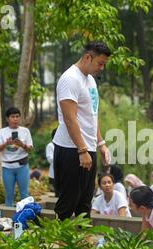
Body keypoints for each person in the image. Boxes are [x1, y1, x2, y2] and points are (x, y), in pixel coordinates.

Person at [53, 41, 111, 221]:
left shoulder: (90, 80)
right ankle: (60, 246)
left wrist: (101, 144)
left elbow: (91, 116)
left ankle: (83, 245)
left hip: (88, 149)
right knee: (67, 202)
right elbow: (70, 118)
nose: (101, 68)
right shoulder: (70, 79)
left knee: (85, 202)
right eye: (99, 63)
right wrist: (82, 150)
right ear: (87, 57)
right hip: (72, 149)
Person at [0, 107, 33, 207]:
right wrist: (5, 144)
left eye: (17, 116)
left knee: (24, 194)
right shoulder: (2, 132)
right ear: (7, 119)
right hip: (7, 167)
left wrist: (22, 145)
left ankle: (26, 218)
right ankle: (9, 218)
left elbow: (30, 149)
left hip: (22, 166)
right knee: (9, 195)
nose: (15, 119)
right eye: (12, 117)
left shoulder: (25, 131)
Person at [46, 128, 57, 196]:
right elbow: (50, 159)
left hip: (63, 173)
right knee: (57, 193)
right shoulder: (50, 145)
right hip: (54, 174)